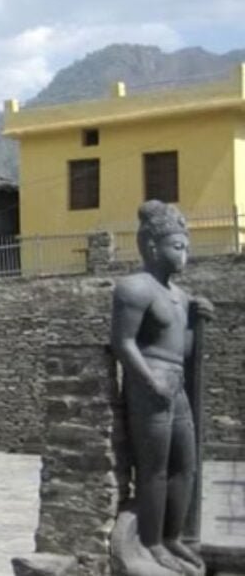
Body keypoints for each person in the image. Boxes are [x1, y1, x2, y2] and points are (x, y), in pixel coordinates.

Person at [110, 200, 210, 573]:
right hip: (149, 386)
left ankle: (172, 536)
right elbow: (124, 342)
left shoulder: (181, 297)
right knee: (154, 469)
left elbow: (184, 349)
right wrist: (150, 382)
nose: (185, 254)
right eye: (177, 246)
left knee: (186, 466)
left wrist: (198, 320)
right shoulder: (134, 288)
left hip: (176, 386)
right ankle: (151, 541)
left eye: (186, 246)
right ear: (152, 247)